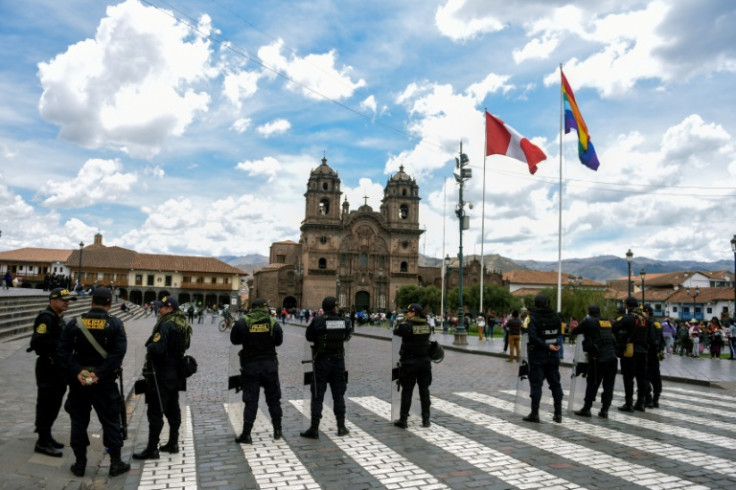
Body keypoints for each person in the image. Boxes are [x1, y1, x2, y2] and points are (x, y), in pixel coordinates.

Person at [57, 287, 130, 478]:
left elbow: (63, 352)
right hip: (104, 383)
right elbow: (118, 354)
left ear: (91, 301)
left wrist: (79, 372)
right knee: (111, 422)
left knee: (79, 422)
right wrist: (98, 374)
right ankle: (115, 463)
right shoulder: (115, 324)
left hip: (79, 382)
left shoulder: (74, 323)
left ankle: (80, 464)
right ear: (110, 303)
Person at [133, 296, 190, 459]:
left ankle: (152, 449)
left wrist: (149, 345)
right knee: (173, 407)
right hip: (176, 371)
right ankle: (173, 442)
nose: (159, 310)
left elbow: (157, 348)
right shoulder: (183, 323)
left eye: (162, 307)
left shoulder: (166, 324)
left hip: (161, 372)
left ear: (170, 308)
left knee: (155, 411)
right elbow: (186, 345)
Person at [28, 287, 77, 457]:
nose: (66, 303)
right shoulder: (46, 318)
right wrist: (60, 344)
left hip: (58, 369)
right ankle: (42, 442)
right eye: (62, 300)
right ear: (52, 301)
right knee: (46, 404)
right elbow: (37, 343)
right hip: (48, 368)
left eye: (67, 300)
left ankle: (47, 436)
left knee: (54, 404)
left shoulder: (58, 318)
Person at [230, 298, 283, 444]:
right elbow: (278, 341)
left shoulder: (242, 322)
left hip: (250, 365)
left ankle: (246, 434)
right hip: (270, 365)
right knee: (273, 399)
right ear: (264, 308)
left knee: (251, 400)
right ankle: (277, 430)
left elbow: (234, 340)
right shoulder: (273, 322)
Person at [300, 296, 352, 439]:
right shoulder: (345, 322)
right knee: (338, 395)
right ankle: (341, 427)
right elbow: (347, 337)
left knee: (317, 395)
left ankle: (314, 428)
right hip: (338, 362)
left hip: (321, 362)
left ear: (323, 308)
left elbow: (309, 337)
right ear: (335, 307)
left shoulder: (318, 321)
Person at [571, 304, 618, 418]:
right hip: (612, 357)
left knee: (592, 383)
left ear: (589, 313)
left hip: (598, 358)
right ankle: (604, 410)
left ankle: (587, 409)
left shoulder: (589, 321)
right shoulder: (607, 322)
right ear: (600, 312)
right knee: (609, 385)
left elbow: (575, 331)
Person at [523, 294, 563, 423]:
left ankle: (535, 414)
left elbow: (533, 337)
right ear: (548, 303)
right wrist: (552, 346)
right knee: (555, 384)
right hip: (553, 355)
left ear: (535, 304)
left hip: (538, 356)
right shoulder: (556, 316)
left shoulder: (532, 318)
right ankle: (558, 414)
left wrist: (546, 346)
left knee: (536, 385)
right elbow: (558, 334)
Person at [393, 303, 433, 428]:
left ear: (414, 313)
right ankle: (426, 420)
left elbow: (396, 331)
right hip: (425, 362)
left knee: (407, 391)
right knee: (424, 391)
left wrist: (403, 321)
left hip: (410, 363)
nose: (406, 314)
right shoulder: (427, 326)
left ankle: (403, 420)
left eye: (409, 312)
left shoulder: (406, 326)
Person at [613, 297, 651, 412]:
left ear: (626, 306)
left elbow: (614, 328)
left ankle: (629, 403)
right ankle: (641, 402)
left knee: (628, 378)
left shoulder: (627, 318)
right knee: (642, 378)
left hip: (630, 351)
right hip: (643, 351)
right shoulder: (646, 319)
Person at [643, 305, 664, 408]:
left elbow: (649, 338)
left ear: (646, 312)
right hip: (655, 353)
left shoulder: (647, 322)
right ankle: (656, 400)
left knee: (645, 377)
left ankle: (649, 399)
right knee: (656, 377)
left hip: (648, 352)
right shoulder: (657, 322)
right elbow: (661, 338)